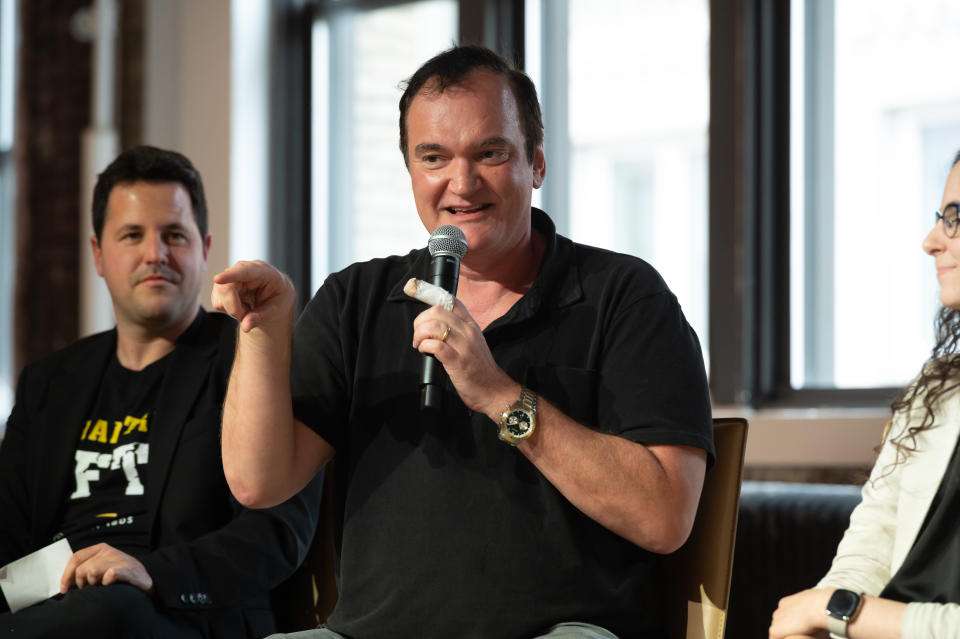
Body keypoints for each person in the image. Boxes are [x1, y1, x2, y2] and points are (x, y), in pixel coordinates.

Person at [214, 45, 713, 639]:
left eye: (491, 153)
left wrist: (500, 395)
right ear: (410, 171)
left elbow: (664, 517)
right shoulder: (357, 299)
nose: (462, 182)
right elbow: (257, 482)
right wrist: (265, 336)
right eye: (434, 157)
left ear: (537, 164)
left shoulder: (622, 296)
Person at [0, 145, 323, 639]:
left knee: (109, 613)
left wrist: (154, 574)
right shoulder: (48, 383)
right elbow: (9, 537)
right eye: (132, 235)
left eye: (174, 234)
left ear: (203, 246)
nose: (156, 253)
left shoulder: (253, 360)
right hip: (53, 610)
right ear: (98, 254)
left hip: (186, 615)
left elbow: (276, 535)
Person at [769, 151, 960, 639]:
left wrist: (839, 611)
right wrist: (815, 625)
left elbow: (839, 606)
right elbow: (871, 543)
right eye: (940, 219)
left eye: (955, 220)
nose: (931, 241)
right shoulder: (934, 390)